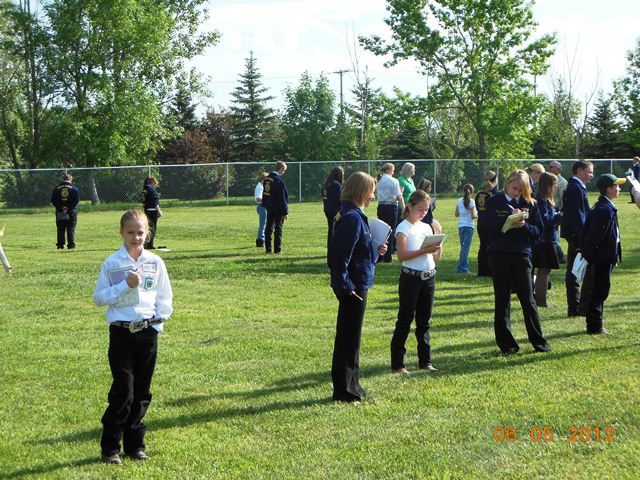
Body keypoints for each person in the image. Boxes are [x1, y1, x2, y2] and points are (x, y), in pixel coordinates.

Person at [93, 209, 173, 465]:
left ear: (147, 232)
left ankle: (135, 445)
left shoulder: (155, 262)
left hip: (147, 332)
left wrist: (157, 324)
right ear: (121, 232)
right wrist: (124, 285)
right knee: (123, 391)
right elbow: (99, 298)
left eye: (141, 232)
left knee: (142, 391)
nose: (136, 237)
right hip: (122, 333)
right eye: (130, 232)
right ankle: (110, 449)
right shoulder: (112, 263)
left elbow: (164, 297)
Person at [328, 172, 387, 403]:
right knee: (347, 339)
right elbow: (339, 257)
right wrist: (344, 286)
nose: (373, 196)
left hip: (358, 282)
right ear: (362, 191)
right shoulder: (351, 218)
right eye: (371, 191)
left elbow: (359, 253)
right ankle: (343, 390)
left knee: (353, 339)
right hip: (353, 286)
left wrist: (376, 251)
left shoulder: (355, 215)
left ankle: (353, 385)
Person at [485, 170, 551, 354]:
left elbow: (538, 231)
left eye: (521, 190)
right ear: (507, 184)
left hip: (521, 254)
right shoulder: (494, 201)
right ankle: (507, 345)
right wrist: (506, 222)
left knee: (528, 300)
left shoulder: (530, 203)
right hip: (499, 254)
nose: (517, 193)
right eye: (515, 188)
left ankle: (539, 342)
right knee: (502, 299)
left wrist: (523, 225)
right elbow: (486, 229)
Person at [390, 190, 442, 374]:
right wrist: (424, 250)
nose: (424, 213)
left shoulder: (426, 227)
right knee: (405, 320)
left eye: (426, 209)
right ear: (410, 207)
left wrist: (438, 242)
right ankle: (398, 364)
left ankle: (425, 361)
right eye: (420, 209)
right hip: (411, 278)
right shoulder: (403, 227)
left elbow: (434, 259)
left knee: (424, 321)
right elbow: (402, 256)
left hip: (428, 277)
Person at [581, 174, 626, 334]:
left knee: (601, 289)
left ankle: (595, 323)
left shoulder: (606, 207)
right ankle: (594, 326)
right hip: (601, 258)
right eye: (616, 186)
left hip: (605, 257)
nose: (619, 189)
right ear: (608, 189)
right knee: (600, 290)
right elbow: (594, 237)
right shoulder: (604, 210)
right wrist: (591, 256)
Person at [560, 160, 594, 317]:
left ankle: (576, 307)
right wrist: (582, 239)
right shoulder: (575, 188)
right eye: (589, 171)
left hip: (575, 235)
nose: (591, 175)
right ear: (579, 171)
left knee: (575, 270)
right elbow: (577, 217)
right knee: (576, 272)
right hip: (576, 236)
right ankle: (575, 307)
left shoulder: (577, 187)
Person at [532, 173, 561, 307]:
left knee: (545, 270)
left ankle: (540, 300)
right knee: (543, 271)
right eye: (554, 184)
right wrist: (560, 216)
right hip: (545, 241)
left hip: (547, 240)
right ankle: (541, 301)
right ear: (548, 185)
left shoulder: (545, 200)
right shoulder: (541, 200)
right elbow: (546, 221)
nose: (555, 187)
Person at [376, 163, 404, 262]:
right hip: (391, 206)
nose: (393, 172)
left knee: (382, 231)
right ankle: (388, 257)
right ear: (388, 170)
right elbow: (398, 196)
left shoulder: (378, 180)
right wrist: (403, 208)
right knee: (390, 231)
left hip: (381, 206)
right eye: (393, 170)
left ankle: (379, 255)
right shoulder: (394, 180)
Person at [262, 161, 289, 254]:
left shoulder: (266, 179)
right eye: (284, 170)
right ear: (281, 169)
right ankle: (277, 249)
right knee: (278, 229)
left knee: (268, 228)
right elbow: (282, 198)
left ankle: (268, 249)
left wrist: (265, 205)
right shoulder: (278, 181)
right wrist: (285, 212)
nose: (284, 172)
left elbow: (265, 194)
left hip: (269, 208)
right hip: (278, 209)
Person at [475, 171, 498, 276]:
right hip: (491, 222)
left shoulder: (479, 193)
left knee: (483, 246)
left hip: (481, 222)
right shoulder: (494, 194)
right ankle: (490, 270)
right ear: (495, 180)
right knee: (491, 246)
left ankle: (481, 270)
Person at [50, 173, 80, 249]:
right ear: (71, 179)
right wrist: (68, 208)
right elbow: (76, 200)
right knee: (71, 228)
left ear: (63, 179)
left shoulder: (56, 189)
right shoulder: (74, 189)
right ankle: (71, 245)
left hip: (60, 211)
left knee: (60, 229)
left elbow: (53, 200)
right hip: (71, 211)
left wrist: (61, 208)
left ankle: (60, 245)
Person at [547, 161, 568, 263]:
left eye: (551, 167)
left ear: (558, 169)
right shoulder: (548, 179)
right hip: (548, 209)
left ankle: (559, 256)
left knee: (553, 234)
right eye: (549, 166)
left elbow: (564, 199)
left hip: (555, 210)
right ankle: (557, 255)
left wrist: (561, 212)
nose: (549, 168)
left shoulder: (562, 182)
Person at [455, 183, 477, 273]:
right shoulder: (471, 202)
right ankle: (463, 268)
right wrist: (478, 214)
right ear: (471, 192)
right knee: (466, 248)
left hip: (461, 226)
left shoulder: (459, 200)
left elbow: (456, 214)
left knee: (463, 248)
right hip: (469, 226)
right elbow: (473, 216)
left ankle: (462, 266)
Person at [322, 166, 344, 249]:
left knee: (331, 229)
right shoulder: (336, 184)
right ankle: (333, 247)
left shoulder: (327, 183)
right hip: (335, 210)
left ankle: (330, 247)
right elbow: (339, 198)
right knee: (335, 230)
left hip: (327, 209)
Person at [142, 177, 163, 250]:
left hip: (147, 210)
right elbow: (154, 201)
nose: (156, 182)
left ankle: (145, 243)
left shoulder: (145, 189)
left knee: (148, 227)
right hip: (152, 211)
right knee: (152, 228)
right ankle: (149, 245)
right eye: (155, 180)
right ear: (151, 181)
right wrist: (159, 211)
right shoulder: (150, 189)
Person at [254, 172, 268, 247]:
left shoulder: (263, 186)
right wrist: (267, 200)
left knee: (265, 223)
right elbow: (258, 198)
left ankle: (264, 238)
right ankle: (260, 240)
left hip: (264, 206)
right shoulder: (260, 187)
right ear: (263, 179)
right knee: (263, 224)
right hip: (262, 206)